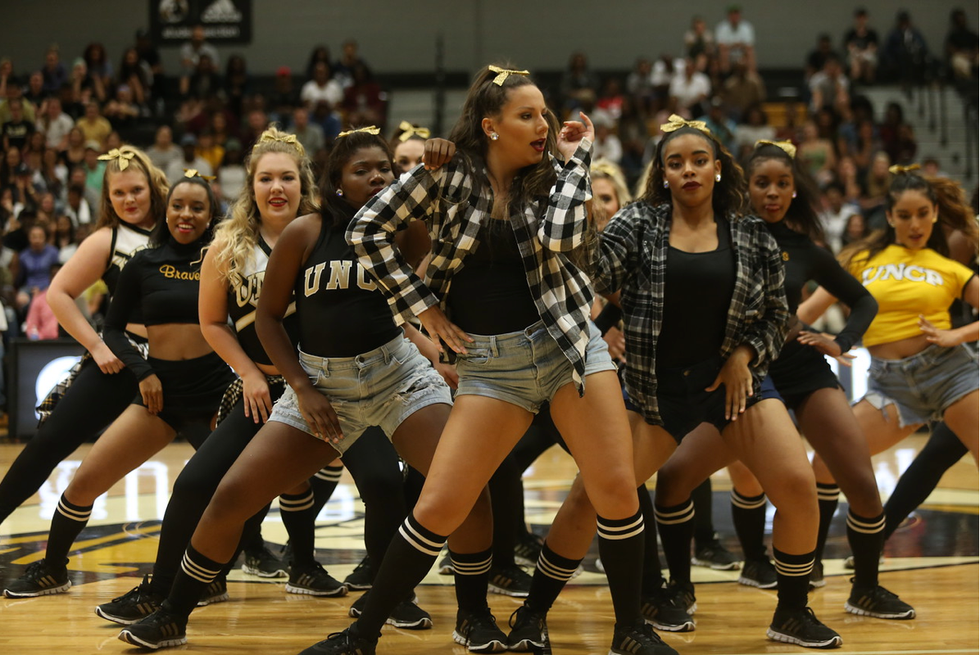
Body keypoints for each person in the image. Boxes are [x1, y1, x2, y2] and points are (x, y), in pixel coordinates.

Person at [302, 66, 673, 655]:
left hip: (569, 350)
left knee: (616, 492)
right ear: (490, 126)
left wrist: (577, 162)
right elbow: (367, 230)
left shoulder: (556, 177)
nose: (544, 124)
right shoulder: (447, 176)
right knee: (440, 505)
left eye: (545, 114)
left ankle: (626, 630)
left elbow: (563, 239)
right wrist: (423, 308)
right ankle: (360, 635)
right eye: (528, 115)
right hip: (491, 364)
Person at [117, 128, 494, 652]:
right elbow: (269, 320)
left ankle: (474, 614)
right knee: (230, 496)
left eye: (384, 167)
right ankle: (173, 614)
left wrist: (439, 166)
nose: (379, 175)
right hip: (319, 382)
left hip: (397, 377)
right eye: (363, 169)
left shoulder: (403, 229)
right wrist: (299, 385)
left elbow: (451, 217)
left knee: (466, 487)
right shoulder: (304, 233)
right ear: (336, 183)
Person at [586, 116, 841, 648]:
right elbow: (596, 277)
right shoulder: (639, 223)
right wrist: (576, 197)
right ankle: (608, 603)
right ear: (662, 173)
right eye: (675, 163)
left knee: (797, 488)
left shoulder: (750, 233)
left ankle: (791, 611)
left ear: (720, 169)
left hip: (737, 383)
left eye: (699, 160)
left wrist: (744, 356)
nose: (688, 170)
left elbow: (778, 315)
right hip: (659, 388)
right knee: (600, 495)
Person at [95, 129, 361, 626]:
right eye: (265, 178)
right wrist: (248, 375)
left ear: (303, 183)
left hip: (334, 389)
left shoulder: (329, 233)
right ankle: (161, 588)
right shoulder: (230, 243)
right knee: (197, 482)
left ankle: (316, 570)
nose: (276, 187)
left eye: (286, 177)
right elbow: (212, 322)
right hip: (263, 388)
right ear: (251, 187)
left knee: (376, 482)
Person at [654, 140, 915, 623]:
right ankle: (684, 587)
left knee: (859, 478)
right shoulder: (716, 234)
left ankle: (865, 589)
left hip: (802, 368)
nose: (773, 193)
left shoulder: (807, 250)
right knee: (674, 477)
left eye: (783, 184)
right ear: (742, 186)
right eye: (763, 183)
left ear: (796, 190)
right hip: (746, 375)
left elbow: (863, 301)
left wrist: (842, 340)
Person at [3, 172, 234, 598]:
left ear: (211, 215)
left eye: (197, 207)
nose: (186, 214)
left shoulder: (224, 260)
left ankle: (210, 577)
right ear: (167, 209)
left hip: (212, 395)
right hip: (158, 395)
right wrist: (143, 373)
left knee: (229, 488)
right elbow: (110, 328)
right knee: (85, 481)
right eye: (178, 205)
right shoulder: (142, 262)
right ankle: (54, 568)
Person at [0, 146, 164, 527]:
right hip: (123, 356)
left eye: (136, 190)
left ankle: (256, 551)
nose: (128, 199)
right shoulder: (107, 238)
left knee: (225, 455)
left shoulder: (181, 228)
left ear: (153, 187)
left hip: (176, 363)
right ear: (107, 197)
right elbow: (57, 293)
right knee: (48, 443)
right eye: (118, 193)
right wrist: (96, 345)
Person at [799, 167, 979, 467]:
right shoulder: (859, 258)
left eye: (923, 213)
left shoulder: (947, 266)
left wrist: (957, 335)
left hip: (950, 374)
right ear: (890, 216)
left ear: (935, 212)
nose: (915, 224)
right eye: (905, 215)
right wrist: (829, 338)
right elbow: (805, 313)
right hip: (890, 385)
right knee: (828, 463)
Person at [715, 5, 756, 74]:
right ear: (728, 15)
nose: (734, 16)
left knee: (750, 52)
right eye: (732, 14)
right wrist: (737, 45)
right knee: (723, 52)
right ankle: (725, 74)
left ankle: (751, 75)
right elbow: (721, 46)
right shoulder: (722, 27)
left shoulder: (747, 27)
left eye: (736, 14)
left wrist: (731, 45)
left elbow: (749, 46)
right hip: (728, 55)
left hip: (742, 55)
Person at [844, 8, 880, 84]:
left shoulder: (872, 34)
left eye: (863, 18)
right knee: (855, 65)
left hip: (868, 54)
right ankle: (854, 84)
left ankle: (870, 84)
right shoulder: (850, 33)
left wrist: (864, 54)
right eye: (859, 18)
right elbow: (850, 47)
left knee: (869, 64)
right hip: (855, 55)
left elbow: (873, 48)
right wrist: (858, 54)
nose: (861, 20)